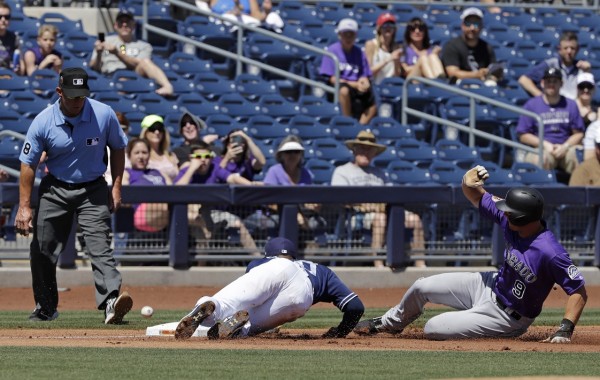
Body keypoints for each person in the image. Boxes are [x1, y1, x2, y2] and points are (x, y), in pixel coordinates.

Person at [354, 165, 587, 343]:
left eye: (508, 212)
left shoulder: (550, 251)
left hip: (508, 318)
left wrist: (565, 329)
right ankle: (389, 323)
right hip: (488, 284)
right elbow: (476, 194)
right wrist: (468, 180)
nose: (503, 213)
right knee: (421, 287)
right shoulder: (510, 220)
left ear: (521, 218)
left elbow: (577, 290)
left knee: (433, 328)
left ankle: (484, 326)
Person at [14, 67, 133, 324]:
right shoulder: (43, 121)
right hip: (55, 188)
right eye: (72, 96)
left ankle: (111, 301)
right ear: (59, 92)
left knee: (99, 245)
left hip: (93, 188)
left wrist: (116, 186)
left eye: (81, 95)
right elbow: (27, 164)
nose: (78, 101)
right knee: (42, 249)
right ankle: (45, 307)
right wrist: (24, 206)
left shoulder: (103, 114)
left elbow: (119, 148)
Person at [174, 237, 365, 339]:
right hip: (303, 292)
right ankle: (241, 331)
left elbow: (248, 300)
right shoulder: (322, 271)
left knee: (226, 303)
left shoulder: (260, 263)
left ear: (269, 255)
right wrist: (341, 332)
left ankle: (208, 306)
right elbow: (355, 307)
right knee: (249, 326)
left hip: (272, 271)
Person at [331, 130, 426, 268]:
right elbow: (339, 198)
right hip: (357, 215)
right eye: (363, 148)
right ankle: (378, 263)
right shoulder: (342, 171)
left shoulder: (380, 173)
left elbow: (391, 195)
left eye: (370, 150)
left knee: (415, 219)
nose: (366, 152)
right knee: (380, 218)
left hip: (384, 210)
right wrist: (366, 205)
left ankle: (420, 263)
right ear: (354, 150)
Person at [175, 141, 260, 255]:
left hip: (212, 212)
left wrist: (251, 185)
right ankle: (201, 269)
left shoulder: (215, 168)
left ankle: (258, 259)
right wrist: (192, 169)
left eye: (207, 156)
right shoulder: (186, 171)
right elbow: (176, 190)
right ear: (191, 158)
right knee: (200, 228)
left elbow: (233, 178)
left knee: (237, 224)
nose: (203, 160)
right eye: (198, 157)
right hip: (188, 215)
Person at [249, 136, 326, 238]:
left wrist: (312, 206)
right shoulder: (274, 171)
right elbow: (269, 202)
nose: (292, 155)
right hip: (275, 214)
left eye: (296, 152)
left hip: (302, 214)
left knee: (320, 222)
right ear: (281, 155)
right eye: (288, 152)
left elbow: (308, 197)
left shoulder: (305, 173)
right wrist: (293, 214)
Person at [89, 8, 174, 96]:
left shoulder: (144, 46)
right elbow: (94, 67)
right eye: (121, 22)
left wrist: (117, 53)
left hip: (134, 76)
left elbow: (139, 64)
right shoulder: (105, 41)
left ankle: (167, 86)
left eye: (128, 22)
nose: (124, 24)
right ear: (115, 25)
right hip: (110, 76)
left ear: (134, 25)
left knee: (145, 62)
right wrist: (99, 54)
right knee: (120, 83)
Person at [516, 67, 584, 174]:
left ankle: (577, 190)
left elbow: (579, 134)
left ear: (561, 84)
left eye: (555, 81)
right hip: (542, 147)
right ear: (542, 83)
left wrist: (565, 146)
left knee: (577, 158)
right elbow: (523, 135)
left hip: (565, 147)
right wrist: (545, 144)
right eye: (548, 81)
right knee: (539, 159)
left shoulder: (570, 104)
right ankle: (542, 190)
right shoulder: (532, 105)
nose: (551, 84)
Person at [319, 18, 377, 125]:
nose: (348, 37)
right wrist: (354, 84)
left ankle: (360, 126)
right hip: (340, 86)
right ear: (340, 35)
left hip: (357, 87)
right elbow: (331, 78)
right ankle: (348, 122)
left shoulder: (359, 52)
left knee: (374, 98)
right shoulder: (332, 51)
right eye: (346, 34)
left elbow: (364, 74)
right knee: (344, 91)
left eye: (351, 34)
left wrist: (364, 82)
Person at [518, 31, 591, 100]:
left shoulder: (582, 67)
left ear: (578, 49)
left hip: (575, 107)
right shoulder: (551, 64)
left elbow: (588, 91)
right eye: (566, 48)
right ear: (559, 49)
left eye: (572, 48)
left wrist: (587, 71)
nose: (569, 51)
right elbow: (524, 80)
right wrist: (541, 98)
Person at [441, 7, 501, 86]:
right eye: (468, 24)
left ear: (481, 26)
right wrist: (476, 74)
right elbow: (452, 73)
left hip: (482, 83)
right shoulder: (452, 45)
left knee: (492, 84)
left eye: (476, 24)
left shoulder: (486, 47)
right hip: (461, 84)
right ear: (462, 25)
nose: (472, 28)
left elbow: (493, 68)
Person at [123, 138, 172, 233]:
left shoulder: (159, 172)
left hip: (163, 213)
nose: (141, 156)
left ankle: (207, 230)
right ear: (129, 156)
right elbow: (124, 196)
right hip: (140, 215)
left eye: (144, 152)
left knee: (192, 209)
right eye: (137, 153)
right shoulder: (126, 173)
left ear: (149, 155)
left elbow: (175, 192)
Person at [364, 12, 403, 85]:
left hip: (390, 86)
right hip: (374, 86)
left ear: (394, 29)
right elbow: (368, 72)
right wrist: (387, 60)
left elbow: (397, 75)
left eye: (391, 25)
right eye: (385, 25)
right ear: (379, 28)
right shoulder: (371, 45)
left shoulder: (396, 47)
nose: (388, 28)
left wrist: (396, 62)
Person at [139, 114, 179, 182]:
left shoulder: (171, 156)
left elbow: (178, 178)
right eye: (153, 129)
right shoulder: (140, 156)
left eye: (160, 129)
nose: (157, 132)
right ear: (145, 132)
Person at [0, 2, 20, 73]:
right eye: (0, 17)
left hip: (9, 77)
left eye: (7, 17)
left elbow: (20, 68)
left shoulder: (14, 38)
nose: (3, 20)